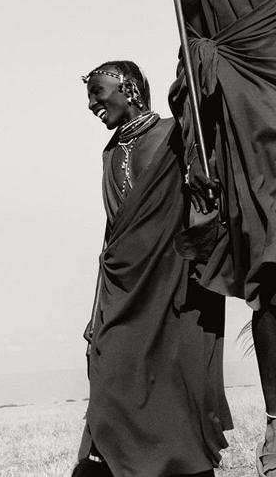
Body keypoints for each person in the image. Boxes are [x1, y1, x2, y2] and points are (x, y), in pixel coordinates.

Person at [75, 62, 230, 477]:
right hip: (125, 289)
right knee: (109, 386)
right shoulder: (110, 152)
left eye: (97, 94)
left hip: (177, 283)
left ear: (127, 89)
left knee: (178, 390)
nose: (92, 105)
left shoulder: (176, 134)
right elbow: (112, 236)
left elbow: (204, 193)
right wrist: (96, 312)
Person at [176, 0, 276, 476]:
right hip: (245, 148)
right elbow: (189, 72)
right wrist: (196, 152)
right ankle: (275, 424)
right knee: (271, 284)